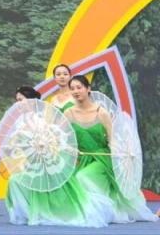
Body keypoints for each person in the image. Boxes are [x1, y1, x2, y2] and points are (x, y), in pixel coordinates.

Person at [4, 89, 112, 228]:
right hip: (33, 164)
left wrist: (51, 146)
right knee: (14, 181)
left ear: (32, 101)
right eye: (17, 100)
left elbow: (55, 139)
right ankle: (27, 213)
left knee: (17, 181)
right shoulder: (21, 121)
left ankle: (39, 213)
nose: (18, 103)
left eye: (21, 100)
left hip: (46, 165)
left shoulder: (39, 120)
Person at [65, 75, 157, 224]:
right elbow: (66, 138)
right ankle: (93, 212)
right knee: (73, 182)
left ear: (88, 89)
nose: (76, 91)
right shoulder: (68, 113)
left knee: (84, 176)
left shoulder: (101, 112)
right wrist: (69, 148)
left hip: (103, 158)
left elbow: (111, 139)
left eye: (79, 87)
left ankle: (101, 213)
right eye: (72, 88)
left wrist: (118, 153)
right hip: (82, 159)